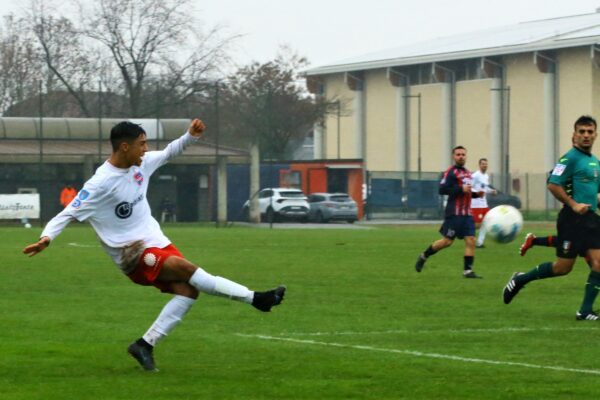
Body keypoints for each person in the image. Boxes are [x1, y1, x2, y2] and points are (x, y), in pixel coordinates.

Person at [23, 119, 286, 371]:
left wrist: (190, 136)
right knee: (187, 270)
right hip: (132, 255)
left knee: (188, 291)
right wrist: (47, 238)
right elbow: (67, 213)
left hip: (157, 241)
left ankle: (144, 345)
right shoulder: (100, 183)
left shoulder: (142, 164)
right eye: (142, 143)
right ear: (125, 147)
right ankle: (256, 299)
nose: (146, 149)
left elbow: (170, 152)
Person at [503, 115, 600, 320]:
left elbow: (593, 194)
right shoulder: (569, 159)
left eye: (590, 132)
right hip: (572, 220)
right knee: (562, 268)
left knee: (599, 264)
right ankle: (521, 279)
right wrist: (573, 205)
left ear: (595, 135)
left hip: (591, 220)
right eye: (581, 132)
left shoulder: (594, 162)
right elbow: (553, 184)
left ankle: (584, 311)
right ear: (574, 135)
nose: (586, 135)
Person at [414, 146, 485, 278]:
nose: (461, 156)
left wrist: (476, 194)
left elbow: (466, 192)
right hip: (454, 214)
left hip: (467, 214)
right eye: (458, 154)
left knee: (471, 240)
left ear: (466, 156)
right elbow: (442, 190)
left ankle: (468, 271)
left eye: (463, 154)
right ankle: (424, 255)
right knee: (447, 242)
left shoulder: (468, 173)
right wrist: (459, 188)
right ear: (453, 156)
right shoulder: (450, 172)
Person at [470, 158, 497, 248]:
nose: (485, 165)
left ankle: (480, 242)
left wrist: (491, 191)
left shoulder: (486, 176)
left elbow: (484, 188)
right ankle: (467, 234)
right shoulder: (475, 176)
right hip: (476, 204)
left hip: (483, 203)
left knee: (486, 221)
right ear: (479, 165)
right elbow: (470, 187)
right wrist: (477, 193)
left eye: (486, 164)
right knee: (477, 225)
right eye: (483, 164)